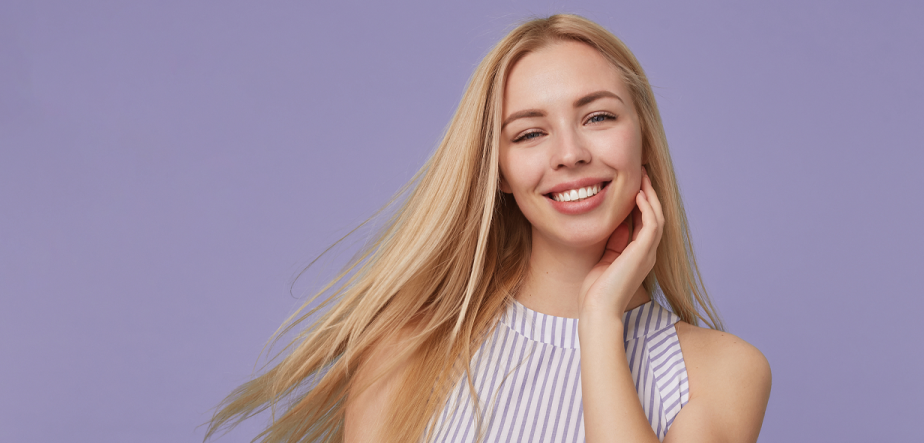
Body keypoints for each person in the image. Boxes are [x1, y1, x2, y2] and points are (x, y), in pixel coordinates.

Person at [206, 14, 770, 443]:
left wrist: (600, 320)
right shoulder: (406, 351)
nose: (570, 153)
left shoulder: (721, 372)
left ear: (643, 137)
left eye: (598, 116)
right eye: (529, 133)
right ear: (497, 171)